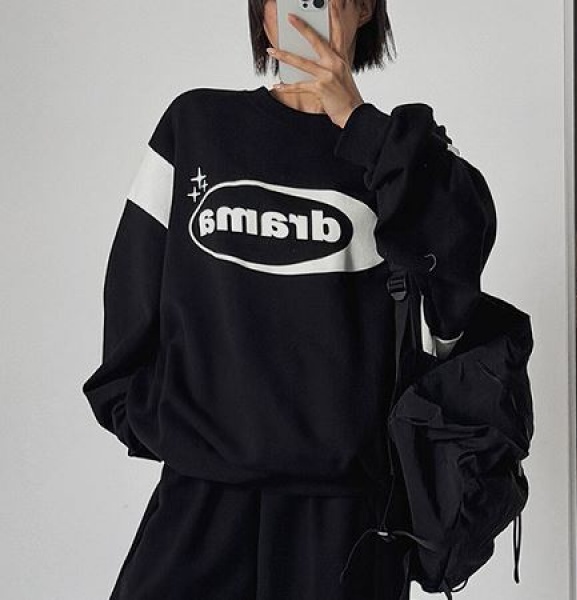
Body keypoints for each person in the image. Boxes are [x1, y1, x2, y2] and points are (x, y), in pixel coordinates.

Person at [82, 1, 496, 598]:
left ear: (364, 10)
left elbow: (456, 292)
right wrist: (174, 432)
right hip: (201, 500)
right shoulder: (196, 126)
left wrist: (358, 123)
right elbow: (131, 300)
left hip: (347, 524)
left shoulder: (402, 157)